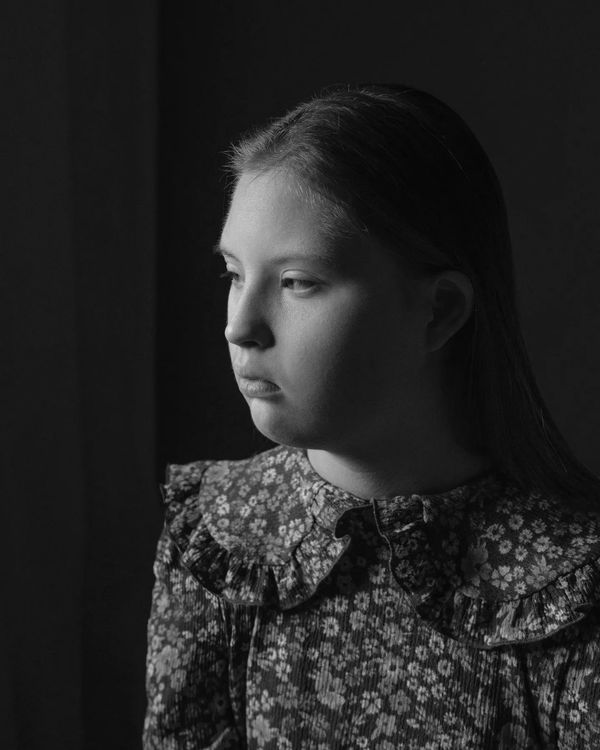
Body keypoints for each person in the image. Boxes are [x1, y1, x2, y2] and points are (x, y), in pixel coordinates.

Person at [142, 84, 600, 749]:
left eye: (297, 282)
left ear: (439, 312)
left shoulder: (570, 578)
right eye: (235, 274)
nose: (240, 327)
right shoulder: (219, 536)